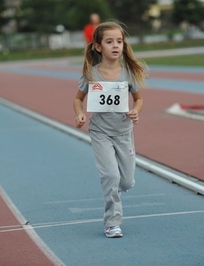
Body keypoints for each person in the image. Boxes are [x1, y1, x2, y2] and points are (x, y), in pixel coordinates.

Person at [73, 21, 147, 238]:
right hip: (100, 132)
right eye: (109, 42)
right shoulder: (91, 74)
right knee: (111, 177)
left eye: (119, 41)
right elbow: (78, 100)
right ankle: (112, 223)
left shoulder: (129, 73)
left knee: (126, 181)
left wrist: (135, 110)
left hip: (124, 132)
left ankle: (118, 187)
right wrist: (79, 114)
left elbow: (139, 99)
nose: (116, 45)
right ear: (98, 47)